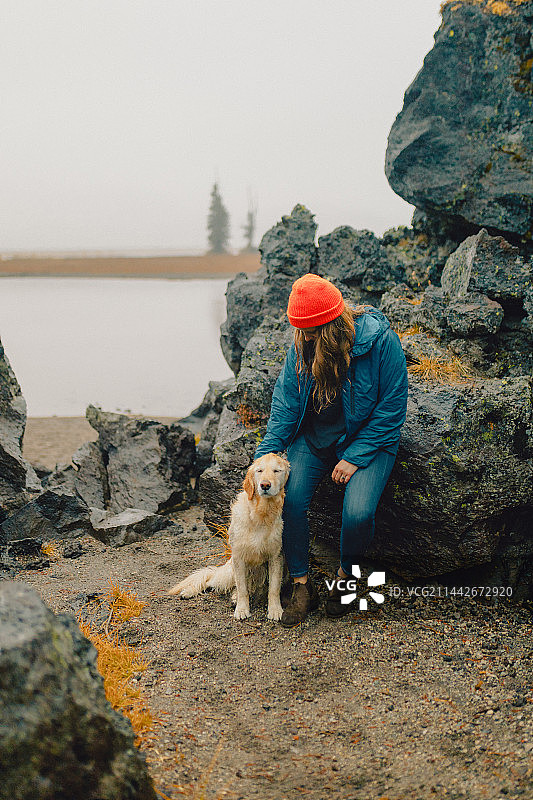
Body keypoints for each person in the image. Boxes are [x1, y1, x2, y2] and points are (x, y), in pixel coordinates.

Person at [253, 273, 408, 627]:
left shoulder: (382, 342)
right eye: (301, 331)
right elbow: (286, 405)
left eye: (311, 332)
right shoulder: (302, 345)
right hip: (315, 439)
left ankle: (346, 577)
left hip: (371, 440)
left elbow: (393, 408)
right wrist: (265, 458)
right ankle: (301, 584)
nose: (304, 338)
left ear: (331, 326)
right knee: (290, 501)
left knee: (358, 513)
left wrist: (354, 456)